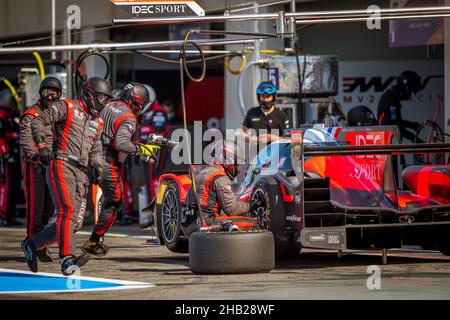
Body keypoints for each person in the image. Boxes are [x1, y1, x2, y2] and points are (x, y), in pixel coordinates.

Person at [21, 77, 112, 276]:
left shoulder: (98, 122)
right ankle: (66, 259)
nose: (103, 103)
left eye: (106, 100)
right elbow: (38, 122)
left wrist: (97, 166)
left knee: (74, 223)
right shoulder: (67, 106)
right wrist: (42, 146)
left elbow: (96, 149)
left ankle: (32, 243)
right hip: (61, 163)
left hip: (81, 173)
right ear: (89, 95)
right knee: (67, 211)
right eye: (101, 98)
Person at [82, 82, 160, 256]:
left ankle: (43, 241)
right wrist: (141, 149)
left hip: (83, 156)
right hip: (105, 160)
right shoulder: (129, 117)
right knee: (115, 201)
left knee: (69, 204)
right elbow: (122, 143)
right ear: (137, 102)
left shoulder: (107, 104)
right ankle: (94, 241)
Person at [19, 77, 62, 262]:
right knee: (35, 210)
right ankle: (32, 246)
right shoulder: (31, 114)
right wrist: (36, 155)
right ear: (40, 93)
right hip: (35, 167)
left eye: (55, 93)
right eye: (47, 92)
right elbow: (26, 140)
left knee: (51, 209)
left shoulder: (59, 114)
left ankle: (42, 244)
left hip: (54, 167)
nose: (51, 96)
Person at [193, 140, 263, 226]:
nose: (236, 168)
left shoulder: (204, 172)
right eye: (236, 163)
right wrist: (255, 203)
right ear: (227, 158)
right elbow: (232, 209)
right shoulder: (220, 177)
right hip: (206, 223)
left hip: (192, 222)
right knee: (255, 223)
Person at [377, 71, 422, 143]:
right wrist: (412, 126)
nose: (410, 95)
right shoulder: (391, 99)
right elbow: (394, 123)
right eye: (411, 91)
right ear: (406, 88)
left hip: (390, 140)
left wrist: (413, 136)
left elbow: (396, 124)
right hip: (388, 142)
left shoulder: (391, 97)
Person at [0, 88, 22, 226]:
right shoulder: (1, 116)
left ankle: (10, 214)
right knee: (5, 186)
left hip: (12, 158)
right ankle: (3, 216)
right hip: (4, 158)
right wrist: (6, 154)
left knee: (13, 187)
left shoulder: (10, 117)